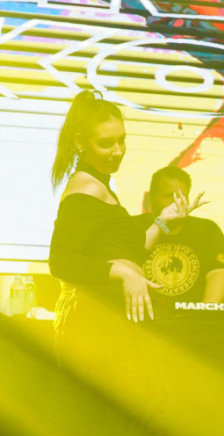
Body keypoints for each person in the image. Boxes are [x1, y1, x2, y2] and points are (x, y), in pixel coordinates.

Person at [49, 91, 193, 341]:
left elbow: (129, 251)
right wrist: (122, 272)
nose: (118, 151)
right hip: (92, 323)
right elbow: (61, 262)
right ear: (80, 142)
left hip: (107, 322)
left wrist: (163, 221)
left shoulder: (100, 186)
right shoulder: (86, 188)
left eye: (121, 140)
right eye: (106, 143)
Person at [135, 166, 224, 316]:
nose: (175, 203)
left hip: (192, 320)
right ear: (151, 197)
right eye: (168, 196)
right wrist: (161, 223)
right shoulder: (132, 226)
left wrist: (207, 311)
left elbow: (218, 273)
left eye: (181, 197)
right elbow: (127, 262)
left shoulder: (206, 230)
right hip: (141, 318)